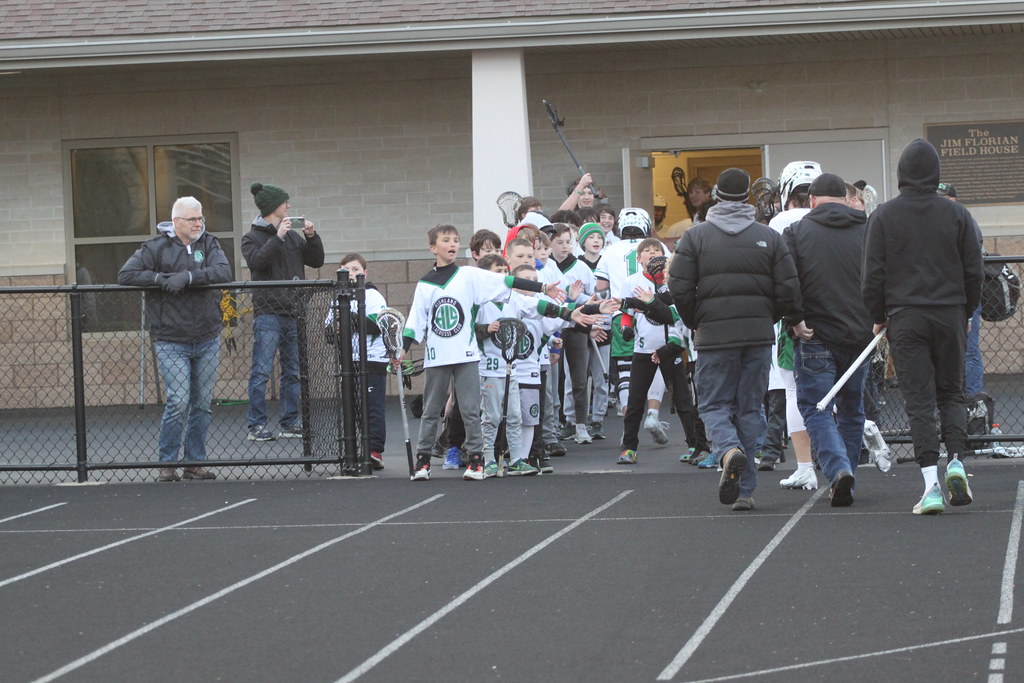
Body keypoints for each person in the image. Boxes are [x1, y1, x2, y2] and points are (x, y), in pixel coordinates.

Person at [862, 139, 983, 515]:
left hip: (905, 316)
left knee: (918, 400)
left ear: (902, 174)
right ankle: (956, 460)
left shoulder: (883, 216)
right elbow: (974, 270)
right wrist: (966, 311)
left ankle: (931, 484)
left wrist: (878, 315)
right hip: (950, 312)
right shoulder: (957, 214)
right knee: (952, 392)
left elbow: (872, 276)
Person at [669, 168, 799, 512]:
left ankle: (727, 449)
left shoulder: (696, 237)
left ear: (717, 195)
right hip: (757, 336)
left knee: (713, 405)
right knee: (749, 409)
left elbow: (679, 286)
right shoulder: (769, 237)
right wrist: (767, 318)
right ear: (747, 197)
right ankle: (744, 490)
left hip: (714, 336)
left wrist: (696, 321)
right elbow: (788, 289)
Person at [398, 224, 569, 481]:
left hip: (467, 356)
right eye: (446, 240)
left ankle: (477, 461)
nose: (452, 244)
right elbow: (415, 321)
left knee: (470, 410)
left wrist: (543, 288)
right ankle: (422, 461)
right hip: (438, 356)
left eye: (455, 240)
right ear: (433, 247)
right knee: (432, 410)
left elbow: (507, 281)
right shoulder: (425, 284)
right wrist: (402, 349)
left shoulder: (469, 275)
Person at [118, 196, 232, 482]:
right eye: (193, 219)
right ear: (176, 221)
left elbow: (223, 271)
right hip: (170, 339)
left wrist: (188, 277)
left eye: (201, 218)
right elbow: (127, 274)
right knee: (179, 401)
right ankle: (167, 463)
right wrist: (160, 280)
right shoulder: (155, 247)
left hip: (207, 336)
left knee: (202, 403)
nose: (198, 223)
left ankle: (194, 463)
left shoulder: (209, 244)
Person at [783, 173, 871, 507]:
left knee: (815, 407)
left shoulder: (797, 233)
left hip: (815, 335)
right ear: (846, 199)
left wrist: (794, 319)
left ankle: (838, 471)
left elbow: (787, 281)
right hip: (860, 335)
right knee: (852, 410)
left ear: (812, 200)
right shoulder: (867, 230)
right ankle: (847, 474)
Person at [242, 182, 325, 442]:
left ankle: (289, 422)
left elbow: (316, 260)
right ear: (272, 207)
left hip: (293, 311)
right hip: (268, 312)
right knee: (261, 370)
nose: (288, 206)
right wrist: (277, 237)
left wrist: (311, 237)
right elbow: (257, 262)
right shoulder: (251, 237)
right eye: (284, 202)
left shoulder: (292, 236)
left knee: (293, 371)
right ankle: (256, 425)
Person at [326, 253, 389, 470]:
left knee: (372, 406)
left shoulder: (373, 296)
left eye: (355, 269)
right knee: (353, 407)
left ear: (365, 273)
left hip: (372, 359)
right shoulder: (338, 299)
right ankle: (357, 449)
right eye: (346, 270)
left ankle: (374, 450)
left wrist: (347, 320)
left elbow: (376, 325)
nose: (351, 274)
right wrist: (339, 326)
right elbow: (329, 333)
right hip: (348, 360)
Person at [938, 182, 986, 395]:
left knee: (969, 350)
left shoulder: (964, 220)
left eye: (944, 198)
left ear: (953, 199)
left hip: (964, 294)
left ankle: (973, 399)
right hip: (947, 295)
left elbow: (973, 266)